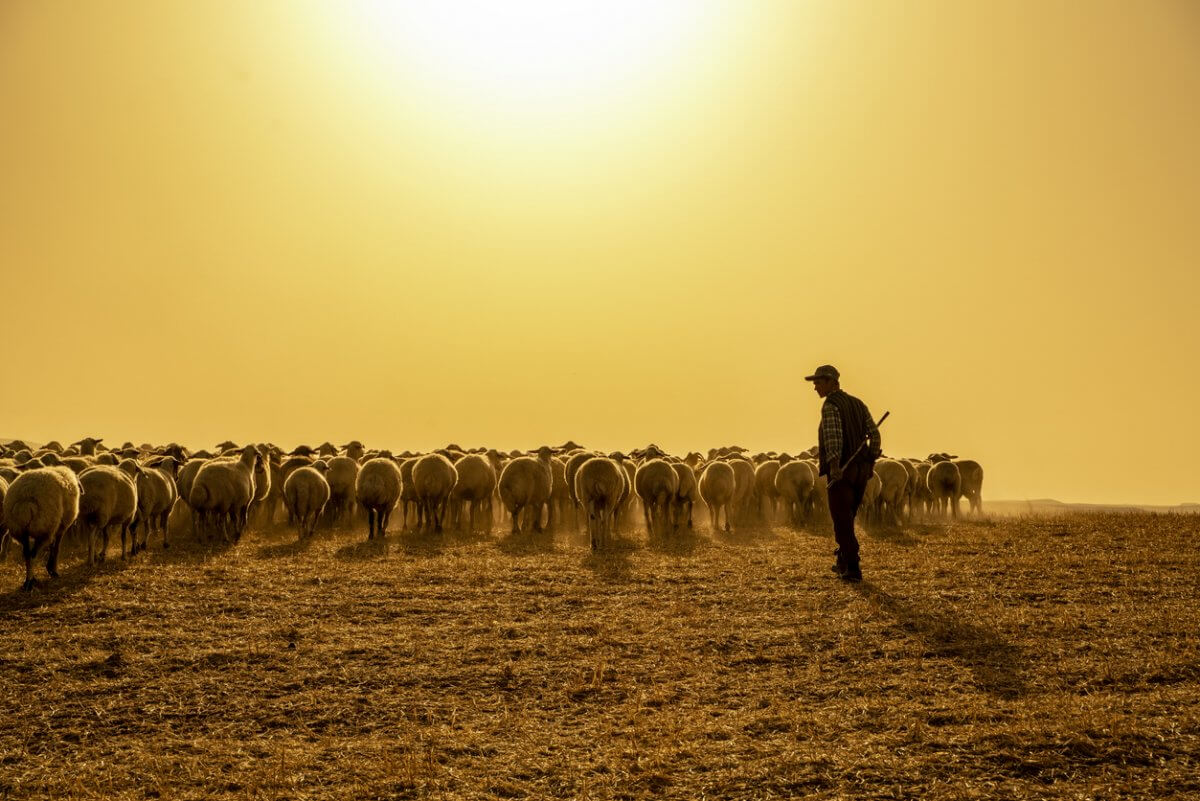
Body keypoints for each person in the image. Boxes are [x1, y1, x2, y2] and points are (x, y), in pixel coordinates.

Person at [805, 364, 881, 582]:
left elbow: (833, 437)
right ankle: (843, 561)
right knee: (849, 516)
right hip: (861, 471)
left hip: (843, 472)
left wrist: (835, 465)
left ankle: (853, 568)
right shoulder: (858, 403)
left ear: (832, 382)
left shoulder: (830, 405)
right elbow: (874, 435)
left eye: (819, 382)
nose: (815, 387)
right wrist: (871, 458)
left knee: (842, 520)